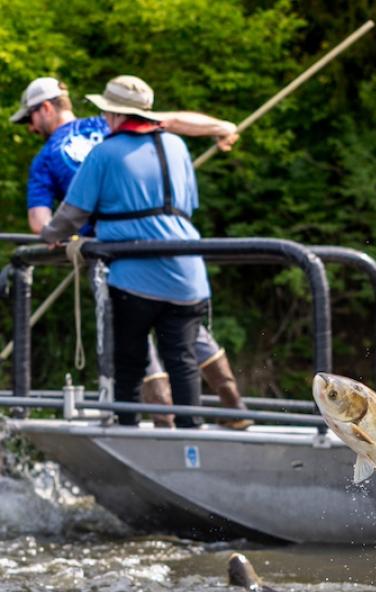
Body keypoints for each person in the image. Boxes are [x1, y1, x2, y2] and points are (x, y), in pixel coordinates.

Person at [11, 76, 251, 429]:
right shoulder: (172, 144)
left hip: (122, 267)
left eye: (29, 118)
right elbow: (187, 185)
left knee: (131, 357)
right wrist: (222, 127)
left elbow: (51, 219)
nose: (30, 127)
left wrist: (53, 237)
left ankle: (154, 427)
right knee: (185, 351)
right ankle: (227, 416)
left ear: (45, 108)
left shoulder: (75, 153)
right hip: (184, 264)